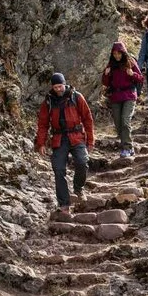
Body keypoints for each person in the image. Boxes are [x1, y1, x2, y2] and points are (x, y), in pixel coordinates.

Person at [34, 73, 94, 214]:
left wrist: (90, 140)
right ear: (52, 87)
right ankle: (64, 204)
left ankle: (78, 188)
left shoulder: (76, 97)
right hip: (59, 139)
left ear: (64, 84)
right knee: (58, 169)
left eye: (60, 86)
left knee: (82, 161)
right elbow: (43, 124)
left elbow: (87, 119)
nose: (58, 89)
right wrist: (41, 143)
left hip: (77, 136)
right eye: (55, 87)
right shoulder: (48, 102)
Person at [100, 41, 144, 157]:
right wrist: (106, 74)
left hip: (129, 95)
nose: (117, 56)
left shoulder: (130, 62)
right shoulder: (110, 64)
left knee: (125, 120)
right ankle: (127, 145)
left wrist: (132, 74)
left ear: (123, 53)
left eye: (119, 53)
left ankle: (128, 148)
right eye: (114, 54)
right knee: (118, 124)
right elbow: (105, 82)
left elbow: (140, 78)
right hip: (115, 96)